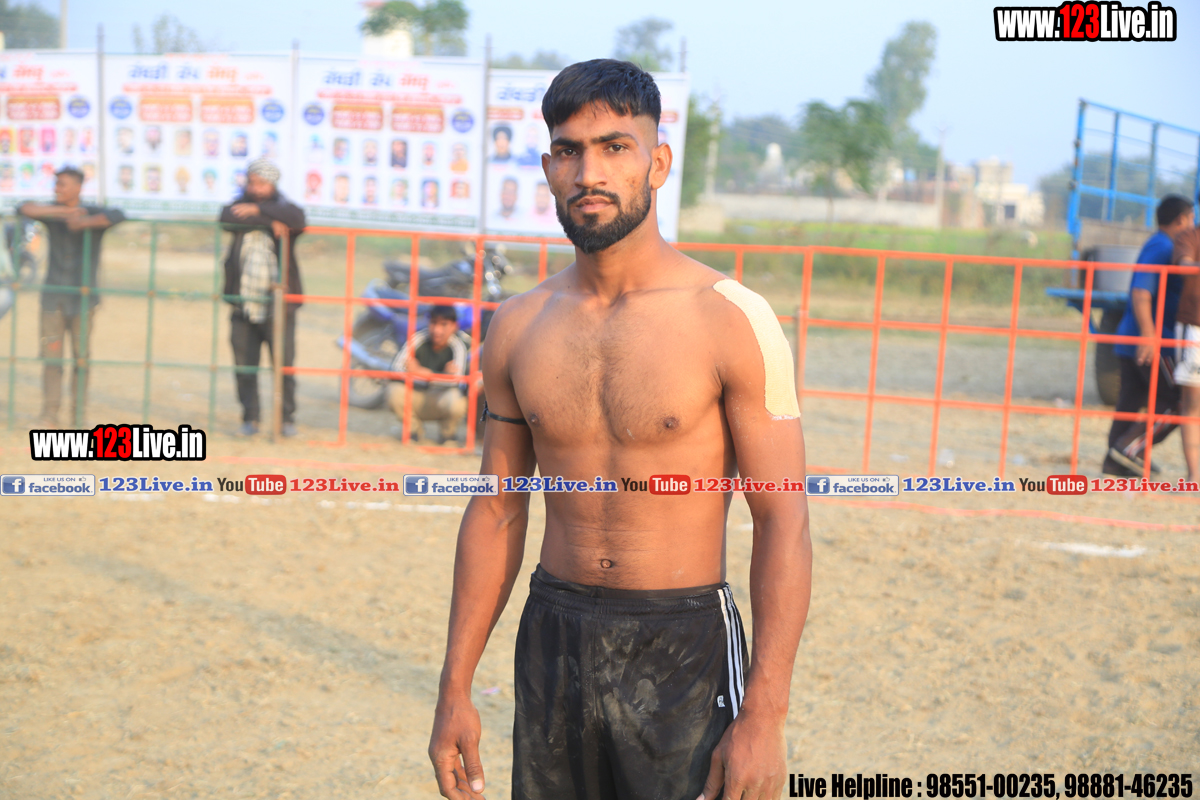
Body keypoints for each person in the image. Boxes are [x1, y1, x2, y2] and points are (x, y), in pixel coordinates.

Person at [428, 59, 811, 800]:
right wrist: (454, 688)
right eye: (569, 151)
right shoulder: (517, 326)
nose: (590, 172)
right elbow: (497, 508)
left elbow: (784, 520)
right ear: (548, 169)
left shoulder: (731, 318)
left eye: (615, 147)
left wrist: (765, 714)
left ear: (657, 163)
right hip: (553, 636)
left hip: (684, 643)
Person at [19, 167, 126, 427]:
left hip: (83, 300)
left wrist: (84, 222)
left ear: (78, 187)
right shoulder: (53, 213)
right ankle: (50, 414)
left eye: (62, 185)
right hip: (52, 299)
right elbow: (23, 208)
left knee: (81, 359)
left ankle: (78, 416)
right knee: (52, 358)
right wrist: (65, 213)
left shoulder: (92, 212)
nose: (57, 189)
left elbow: (118, 214)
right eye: (56, 184)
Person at [1103, 194, 1194, 476]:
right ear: (1181, 220)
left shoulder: (1158, 243)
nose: (1193, 225)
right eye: (1191, 219)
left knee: (1130, 401)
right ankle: (1129, 449)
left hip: (1132, 337)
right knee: (1177, 402)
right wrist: (1149, 334)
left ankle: (1115, 461)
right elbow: (1141, 291)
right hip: (1153, 340)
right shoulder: (1163, 247)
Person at [218, 158, 306, 437]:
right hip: (243, 301)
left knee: (283, 364)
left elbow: (298, 219)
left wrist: (258, 211)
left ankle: (286, 419)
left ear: (272, 184)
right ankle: (251, 418)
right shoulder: (240, 204)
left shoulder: (286, 209)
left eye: (262, 184)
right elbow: (226, 217)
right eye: (252, 182)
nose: (255, 189)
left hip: (279, 304)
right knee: (245, 365)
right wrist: (268, 220)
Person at [389, 305, 470, 444]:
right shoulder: (418, 338)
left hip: (440, 399)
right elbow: (395, 369)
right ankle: (413, 431)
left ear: (454, 326)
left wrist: (420, 372)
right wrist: (442, 376)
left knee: (457, 401)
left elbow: (458, 382)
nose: (437, 330)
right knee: (393, 391)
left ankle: (448, 435)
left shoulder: (458, 346)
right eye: (433, 323)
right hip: (416, 396)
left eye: (444, 324)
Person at [1169, 205, 1200, 481]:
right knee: (1192, 402)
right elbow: (1184, 265)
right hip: (1195, 328)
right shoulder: (1190, 236)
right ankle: (1194, 476)